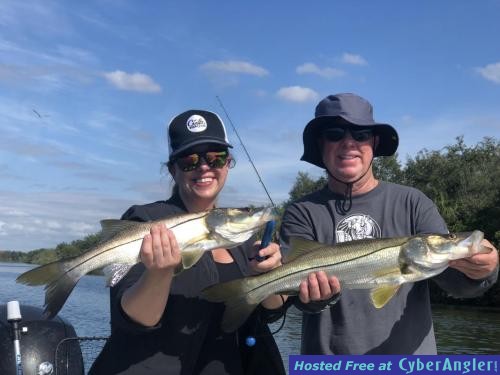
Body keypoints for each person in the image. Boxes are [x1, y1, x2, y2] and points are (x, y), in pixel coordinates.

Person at [279, 93, 499, 354]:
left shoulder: (413, 202)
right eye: (335, 133)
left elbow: (458, 285)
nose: (349, 143)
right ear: (320, 143)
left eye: (360, 134)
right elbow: (297, 300)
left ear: (374, 142)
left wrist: (483, 271)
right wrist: (313, 299)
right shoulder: (300, 212)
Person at [89, 109, 286, 375]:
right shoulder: (145, 220)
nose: (204, 166)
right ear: (173, 170)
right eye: (190, 160)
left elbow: (268, 313)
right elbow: (135, 319)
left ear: (228, 164)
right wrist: (159, 274)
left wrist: (270, 279)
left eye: (216, 157)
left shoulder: (245, 239)